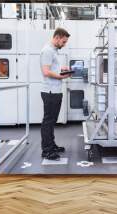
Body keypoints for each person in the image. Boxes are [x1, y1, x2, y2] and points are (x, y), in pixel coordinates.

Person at [39, 28, 71, 160]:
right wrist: (61, 76)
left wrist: (62, 69)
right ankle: (46, 151)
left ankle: (51, 146)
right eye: (63, 42)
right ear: (57, 37)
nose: (64, 44)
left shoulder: (53, 51)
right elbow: (46, 72)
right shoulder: (47, 50)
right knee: (48, 122)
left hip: (55, 91)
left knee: (51, 122)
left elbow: (52, 67)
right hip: (50, 91)